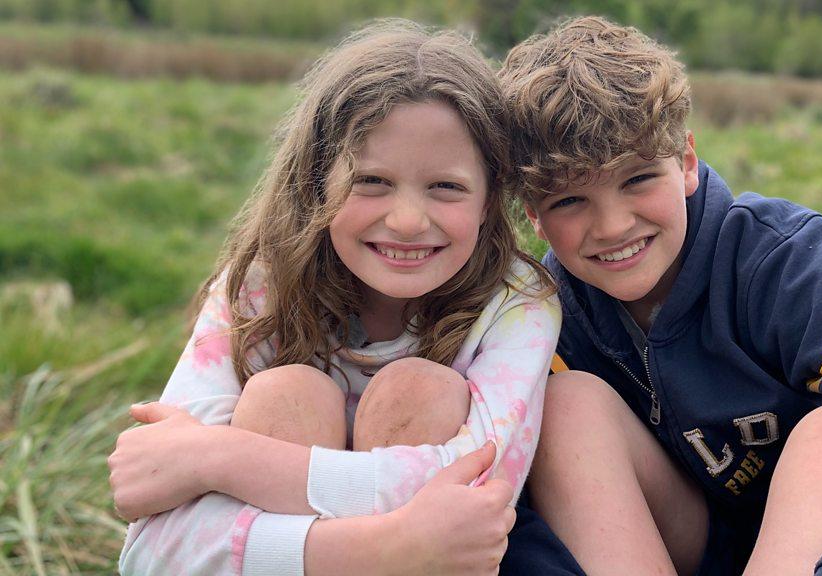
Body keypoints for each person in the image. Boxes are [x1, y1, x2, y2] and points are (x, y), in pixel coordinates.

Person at [497, 15, 822, 576]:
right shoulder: (540, 316)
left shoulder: (786, 260)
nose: (612, 226)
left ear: (687, 163)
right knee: (567, 407)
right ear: (533, 214)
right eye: (569, 201)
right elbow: (512, 519)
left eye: (638, 179)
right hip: (685, 541)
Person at [107, 20, 561, 576]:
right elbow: (150, 550)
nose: (407, 220)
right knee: (287, 395)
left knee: (416, 390)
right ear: (317, 180)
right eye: (371, 181)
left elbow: (479, 502)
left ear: (491, 199)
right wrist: (388, 548)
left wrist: (216, 458)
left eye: (446, 187)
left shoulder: (516, 302)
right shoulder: (259, 287)